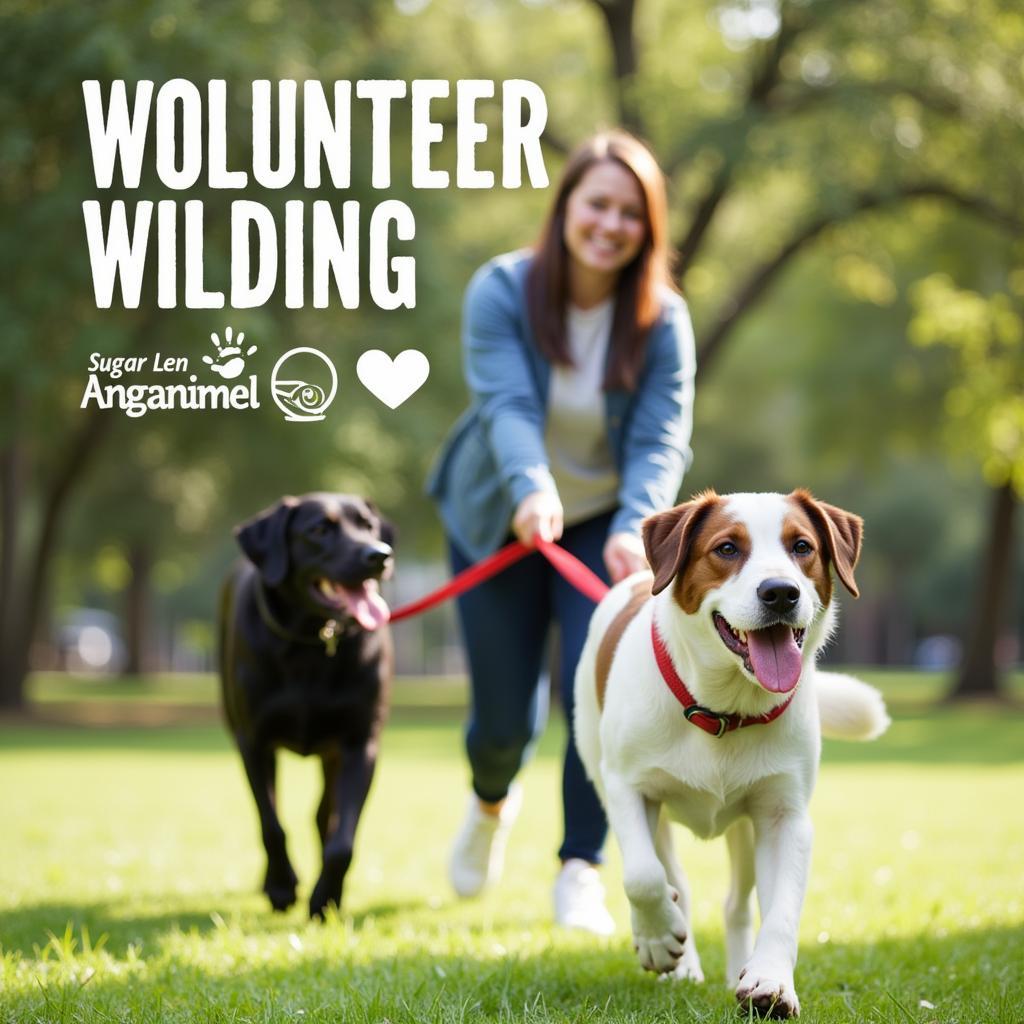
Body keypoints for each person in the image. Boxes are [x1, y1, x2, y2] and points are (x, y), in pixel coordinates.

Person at [427, 130, 695, 934]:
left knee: (602, 700)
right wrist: (530, 486)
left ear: (648, 229)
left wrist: (636, 526)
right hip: (499, 514)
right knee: (504, 716)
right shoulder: (502, 289)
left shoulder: (663, 320)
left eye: (630, 213)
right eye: (597, 205)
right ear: (566, 207)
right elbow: (505, 405)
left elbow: (660, 438)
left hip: (604, 526)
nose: (610, 224)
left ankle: (581, 866)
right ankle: (488, 804)